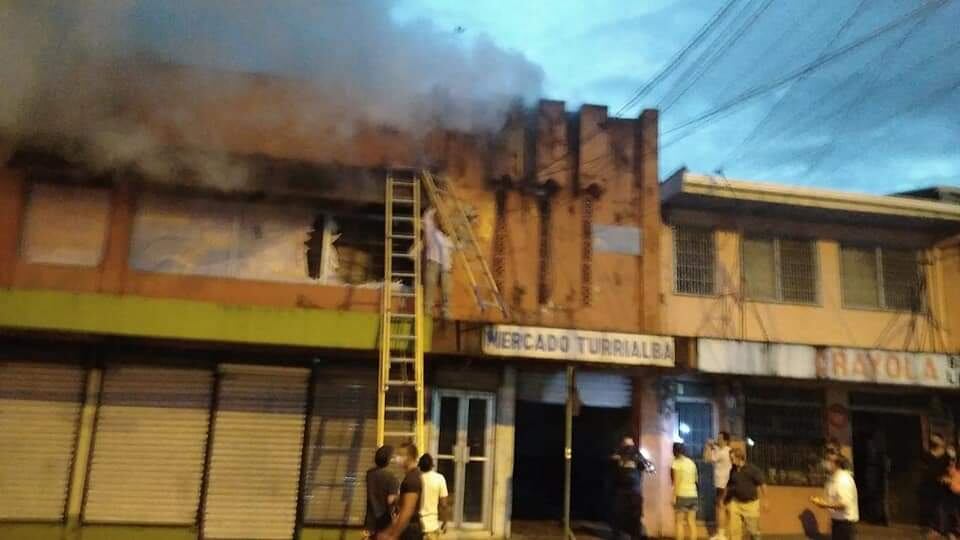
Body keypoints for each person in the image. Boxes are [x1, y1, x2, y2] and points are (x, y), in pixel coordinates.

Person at [378, 442, 424, 540]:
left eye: (401, 455)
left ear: (410, 457)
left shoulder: (411, 479)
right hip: (409, 528)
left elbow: (407, 511)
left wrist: (393, 535)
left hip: (411, 531)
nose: (397, 458)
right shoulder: (412, 477)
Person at [610, 435, 652, 540]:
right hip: (622, 491)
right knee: (618, 514)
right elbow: (611, 467)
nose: (629, 448)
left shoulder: (637, 456)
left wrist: (640, 460)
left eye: (631, 445)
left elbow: (650, 468)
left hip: (634, 491)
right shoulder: (617, 456)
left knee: (635, 516)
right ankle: (617, 535)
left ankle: (635, 536)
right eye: (626, 445)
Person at [812, 451, 859, 540]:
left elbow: (844, 504)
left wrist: (824, 504)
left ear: (836, 464)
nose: (825, 462)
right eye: (826, 459)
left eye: (828, 460)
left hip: (846, 525)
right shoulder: (833, 478)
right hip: (838, 522)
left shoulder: (843, 480)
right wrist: (822, 501)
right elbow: (832, 499)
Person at [725, 448, 767, 540]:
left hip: (750, 504)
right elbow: (730, 486)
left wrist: (765, 500)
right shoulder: (733, 470)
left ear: (739, 458)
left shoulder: (752, 470)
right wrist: (726, 501)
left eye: (732, 459)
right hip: (736, 503)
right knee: (734, 531)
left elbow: (762, 484)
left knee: (753, 531)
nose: (730, 461)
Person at [422, 207, 454, 319]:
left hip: (445, 265)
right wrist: (436, 208)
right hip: (433, 261)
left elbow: (455, 247)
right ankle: (427, 309)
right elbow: (427, 218)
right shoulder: (432, 231)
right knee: (430, 284)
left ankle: (446, 310)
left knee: (447, 288)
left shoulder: (447, 238)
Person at [920, 433, 952, 539]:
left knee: (941, 508)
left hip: (942, 485)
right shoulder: (928, 455)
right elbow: (924, 468)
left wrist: (946, 478)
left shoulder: (947, 456)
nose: (934, 441)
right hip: (929, 485)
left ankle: (941, 530)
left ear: (942, 442)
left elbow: (951, 469)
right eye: (933, 439)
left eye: (937, 439)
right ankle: (934, 529)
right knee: (931, 507)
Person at [365, 445, 400, 539]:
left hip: (370, 519)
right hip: (385, 520)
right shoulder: (392, 478)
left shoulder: (369, 474)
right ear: (388, 459)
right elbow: (391, 500)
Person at [705, 431, 733, 540]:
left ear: (725, 440)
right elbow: (715, 449)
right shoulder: (725, 450)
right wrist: (713, 446)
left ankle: (721, 535)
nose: (718, 440)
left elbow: (707, 459)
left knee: (720, 508)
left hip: (723, 484)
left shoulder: (723, 452)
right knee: (725, 508)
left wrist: (708, 446)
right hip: (723, 483)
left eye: (720, 438)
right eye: (718, 438)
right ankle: (724, 533)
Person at [418, 453, 450, 540]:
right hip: (432, 525)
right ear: (432, 466)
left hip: (417, 526)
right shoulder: (439, 478)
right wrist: (445, 521)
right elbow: (444, 504)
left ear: (419, 466)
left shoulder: (416, 479)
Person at [672, 442, 699, 540]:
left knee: (679, 523)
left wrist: (674, 496)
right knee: (692, 522)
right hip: (693, 494)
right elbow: (696, 479)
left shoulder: (676, 463)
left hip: (682, 495)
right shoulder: (691, 462)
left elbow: (676, 481)